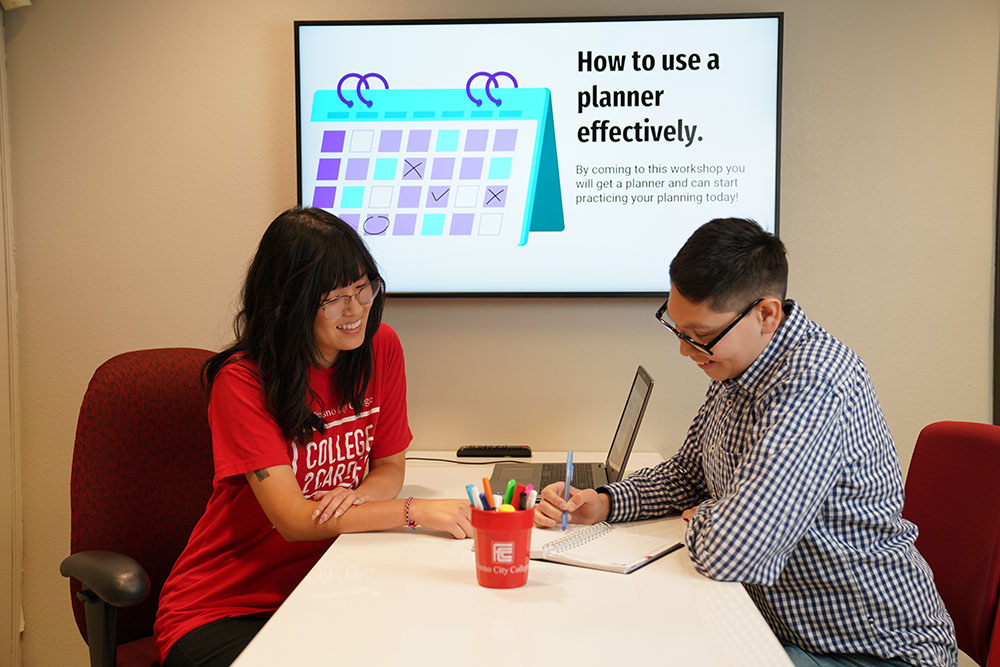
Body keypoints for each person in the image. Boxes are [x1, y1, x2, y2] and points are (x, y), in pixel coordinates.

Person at [534, 218, 957, 667]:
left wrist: (711, 515)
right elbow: (689, 474)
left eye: (700, 336)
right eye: (678, 329)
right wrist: (602, 502)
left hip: (870, 652)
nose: (685, 350)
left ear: (766, 314)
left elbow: (732, 551)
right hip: (778, 627)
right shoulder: (739, 365)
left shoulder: (815, 384)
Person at [154, 207, 472, 666]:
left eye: (364, 287)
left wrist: (356, 495)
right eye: (334, 298)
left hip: (324, 587)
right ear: (288, 302)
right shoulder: (243, 383)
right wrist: (415, 511)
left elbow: (388, 466)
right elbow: (295, 520)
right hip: (222, 608)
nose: (357, 310)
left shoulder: (381, 347)